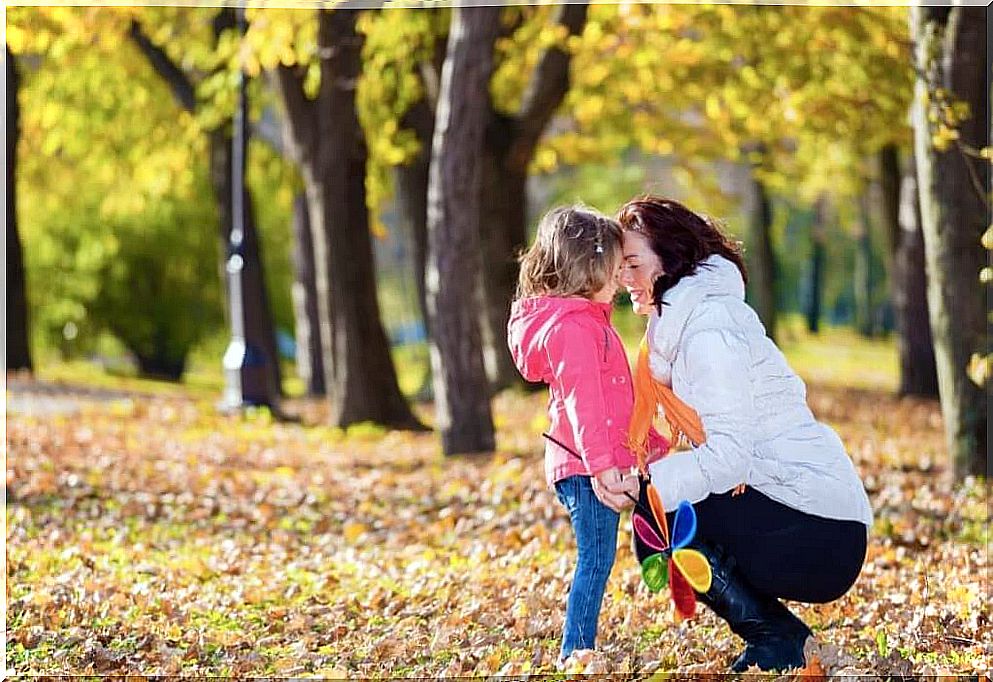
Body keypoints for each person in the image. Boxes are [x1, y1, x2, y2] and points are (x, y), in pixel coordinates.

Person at [616, 196, 873, 673]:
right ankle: (782, 637)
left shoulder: (709, 330)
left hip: (823, 529)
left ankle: (773, 637)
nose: (622, 278)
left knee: (660, 521)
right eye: (619, 265)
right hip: (792, 506)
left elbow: (729, 457)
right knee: (656, 520)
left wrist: (650, 487)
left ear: (670, 258)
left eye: (632, 263)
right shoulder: (676, 331)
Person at [507, 205, 668, 666]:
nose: (621, 279)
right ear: (590, 267)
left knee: (606, 553)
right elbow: (585, 407)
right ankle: (575, 652)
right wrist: (602, 469)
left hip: (597, 461)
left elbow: (616, 399)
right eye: (616, 269)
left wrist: (651, 447)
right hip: (585, 466)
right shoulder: (575, 329)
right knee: (596, 558)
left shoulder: (587, 320)